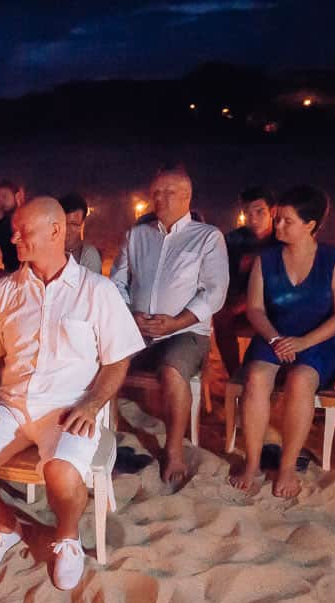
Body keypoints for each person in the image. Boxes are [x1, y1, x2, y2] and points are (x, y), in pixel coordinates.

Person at [0, 197, 143, 590]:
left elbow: (118, 361)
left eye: (23, 230)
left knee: (61, 472)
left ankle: (66, 539)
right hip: (10, 406)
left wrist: (93, 403)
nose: (13, 237)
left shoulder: (95, 291)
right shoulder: (4, 291)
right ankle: (5, 526)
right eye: (14, 228)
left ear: (56, 231)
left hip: (68, 409)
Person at [228, 186, 335, 497]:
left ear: (310, 224)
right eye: (278, 219)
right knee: (256, 377)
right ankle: (253, 461)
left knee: (300, 379)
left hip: (318, 339)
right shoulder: (266, 259)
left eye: (287, 221)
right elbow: (255, 308)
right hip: (274, 334)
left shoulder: (334, 259)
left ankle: (286, 467)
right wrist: (274, 338)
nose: (278, 226)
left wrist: (302, 343)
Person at [110, 167, 229, 484]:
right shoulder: (137, 235)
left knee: (172, 371)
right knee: (104, 360)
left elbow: (215, 291)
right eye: (155, 193)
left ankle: (174, 449)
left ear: (187, 196)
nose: (159, 199)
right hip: (138, 328)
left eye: (168, 192)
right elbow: (117, 283)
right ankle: (106, 440)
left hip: (185, 332)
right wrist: (130, 315)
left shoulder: (206, 237)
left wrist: (177, 321)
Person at [214, 187, 278, 376]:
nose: (254, 218)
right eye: (248, 213)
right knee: (221, 315)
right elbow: (224, 277)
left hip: (276, 305)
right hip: (242, 306)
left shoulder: (282, 239)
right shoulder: (234, 240)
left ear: (272, 211)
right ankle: (235, 375)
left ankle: (277, 374)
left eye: (260, 212)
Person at [59, 191, 102, 273]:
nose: (67, 228)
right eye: (64, 222)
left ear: (82, 224)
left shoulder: (88, 255)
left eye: (74, 224)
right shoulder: (45, 251)